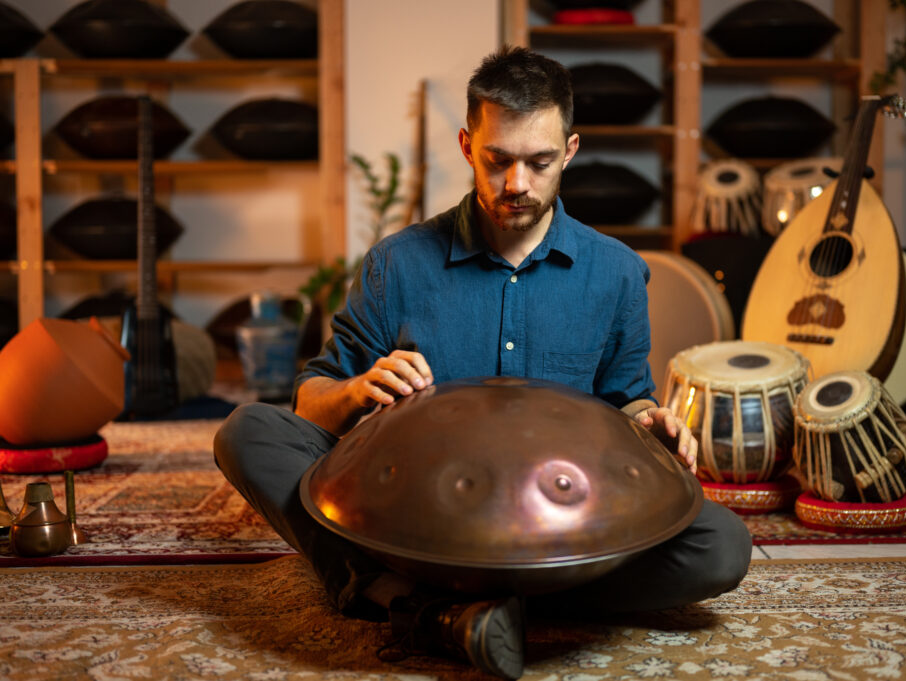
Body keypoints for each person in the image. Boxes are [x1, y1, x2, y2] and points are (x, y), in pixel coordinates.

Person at [214, 45, 751, 680]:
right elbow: (312, 402)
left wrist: (649, 423)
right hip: (420, 515)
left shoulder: (617, 272)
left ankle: (440, 607)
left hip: (562, 520)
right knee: (250, 432)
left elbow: (626, 400)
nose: (517, 184)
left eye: (539, 162)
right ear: (468, 146)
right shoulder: (396, 263)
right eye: (498, 160)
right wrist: (359, 389)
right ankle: (422, 598)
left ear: (570, 151)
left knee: (720, 546)